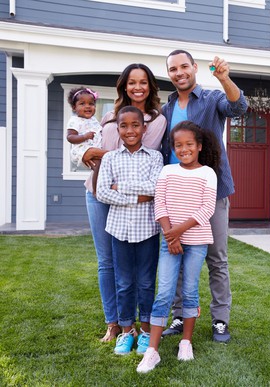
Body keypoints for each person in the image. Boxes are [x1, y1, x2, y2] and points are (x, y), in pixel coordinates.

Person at [160, 50, 248, 342]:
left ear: (194, 68)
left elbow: (238, 107)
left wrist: (224, 78)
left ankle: (220, 320)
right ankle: (178, 315)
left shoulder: (211, 99)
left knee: (216, 259)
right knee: (177, 254)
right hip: (175, 194)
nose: (179, 72)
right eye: (173, 68)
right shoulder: (167, 108)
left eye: (184, 66)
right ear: (169, 73)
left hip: (212, 191)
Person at [81, 63, 167, 343]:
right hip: (97, 192)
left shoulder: (157, 120)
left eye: (143, 82)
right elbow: (99, 154)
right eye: (132, 82)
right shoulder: (108, 116)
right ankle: (114, 323)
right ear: (124, 86)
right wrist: (87, 153)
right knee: (107, 262)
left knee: (139, 273)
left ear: (150, 86)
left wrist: (103, 159)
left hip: (133, 201)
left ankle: (136, 326)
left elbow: (141, 152)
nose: (137, 87)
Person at [138, 121, 220, 373]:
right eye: (178, 145)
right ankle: (152, 351)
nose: (183, 149)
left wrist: (177, 232)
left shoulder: (208, 173)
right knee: (164, 292)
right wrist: (170, 235)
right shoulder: (167, 171)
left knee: (190, 290)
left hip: (196, 241)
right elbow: (159, 204)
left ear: (199, 146)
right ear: (173, 148)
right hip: (170, 239)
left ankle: (186, 342)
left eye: (188, 145)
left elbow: (207, 209)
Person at [96, 106, 164, 355]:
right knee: (123, 283)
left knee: (146, 282)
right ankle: (127, 331)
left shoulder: (155, 157)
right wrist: (137, 197)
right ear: (118, 129)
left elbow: (155, 187)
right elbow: (103, 192)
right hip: (119, 230)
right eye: (124, 126)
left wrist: (120, 186)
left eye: (135, 125)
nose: (130, 130)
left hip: (147, 230)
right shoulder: (111, 158)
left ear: (144, 128)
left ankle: (145, 331)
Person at [65, 87, 102, 191]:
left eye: (91, 104)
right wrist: (84, 136)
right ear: (74, 107)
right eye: (82, 104)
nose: (87, 106)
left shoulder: (94, 120)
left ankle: (102, 187)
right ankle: (95, 190)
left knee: (103, 166)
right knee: (98, 166)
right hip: (81, 149)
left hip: (93, 148)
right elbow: (70, 137)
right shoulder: (74, 121)